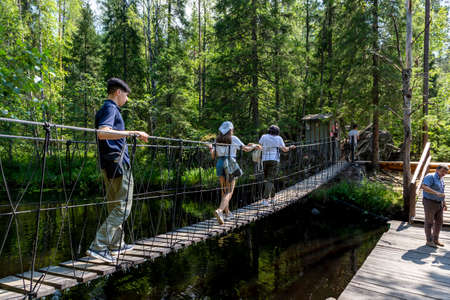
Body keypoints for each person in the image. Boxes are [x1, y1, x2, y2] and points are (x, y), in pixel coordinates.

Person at [86, 78, 150, 263]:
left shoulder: (105, 109)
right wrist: (133, 132)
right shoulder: (110, 108)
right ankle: (98, 246)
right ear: (118, 93)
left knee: (115, 206)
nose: (127, 99)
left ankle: (116, 244)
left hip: (109, 164)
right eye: (127, 95)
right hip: (118, 163)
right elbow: (103, 132)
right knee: (123, 207)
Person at [208, 121, 261, 224]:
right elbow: (246, 149)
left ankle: (227, 213)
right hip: (230, 165)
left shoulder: (217, 140)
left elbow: (213, 156)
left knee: (223, 190)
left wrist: (210, 148)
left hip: (219, 164)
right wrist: (254, 146)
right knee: (230, 191)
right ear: (230, 130)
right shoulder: (234, 138)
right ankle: (219, 211)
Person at [259, 125, 296, 206]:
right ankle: (265, 200)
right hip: (274, 160)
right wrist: (290, 147)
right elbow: (284, 149)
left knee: (268, 179)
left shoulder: (264, 136)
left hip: (265, 160)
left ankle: (272, 198)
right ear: (277, 132)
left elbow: (259, 146)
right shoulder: (278, 138)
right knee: (270, 180)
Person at [420, 164, 448, 248]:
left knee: (439, 222)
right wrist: (436, 193)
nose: (444, 174)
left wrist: (444, 203)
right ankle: (429, 241)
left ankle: (436, 240)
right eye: (443, 171)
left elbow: (441, 192)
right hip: (429, 202)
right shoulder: (430, 176)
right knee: (429, 222)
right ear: (437, 170)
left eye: (446, 172)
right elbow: (423, 186)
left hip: (439, 203)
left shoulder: (441, 179)